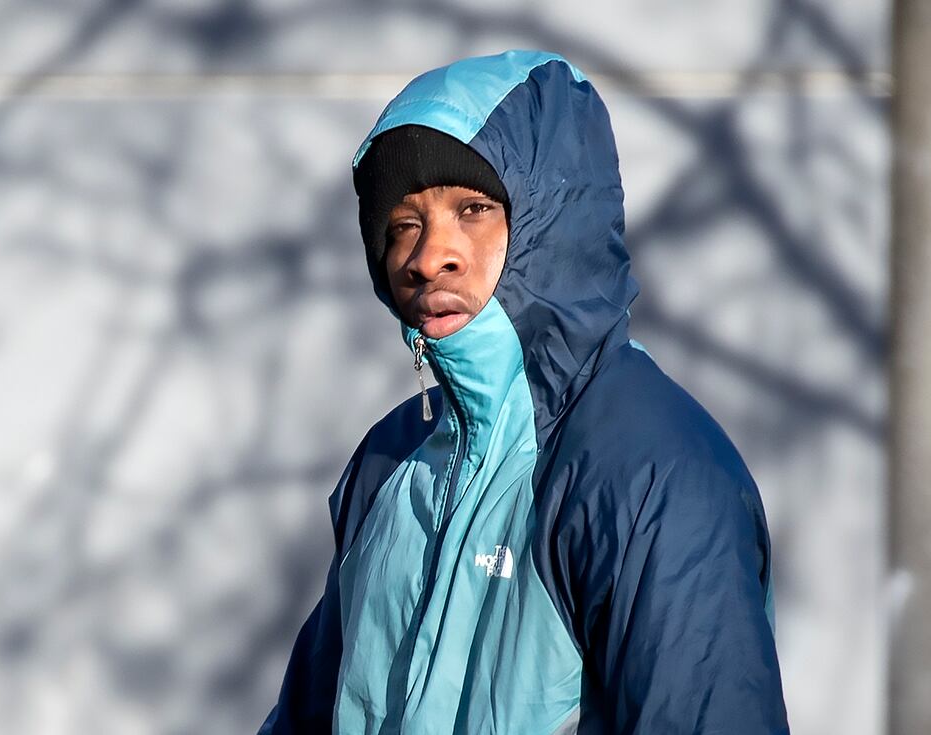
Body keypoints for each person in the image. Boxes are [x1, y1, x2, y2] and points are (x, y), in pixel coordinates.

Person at [259, 50, 788, 734]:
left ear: (555, 222)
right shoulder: (392, 458)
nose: (428, 257)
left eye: (473, 209)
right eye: (404, 225)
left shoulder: (650, 473)